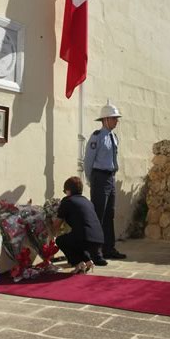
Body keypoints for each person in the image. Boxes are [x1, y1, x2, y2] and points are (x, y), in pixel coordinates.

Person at [84, 102, 127, 261]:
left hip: (110, 177)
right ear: (106, 119)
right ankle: (96, 252)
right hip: (99, 177)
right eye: (114, 118)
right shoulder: (97, 136)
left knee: (110, 214)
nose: (116, 121)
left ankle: (109, 248)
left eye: (116, 118)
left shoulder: (114, 137)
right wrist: (91, 179)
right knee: (98, 215)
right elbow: (88, 160)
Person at [53, 176, 105, 273]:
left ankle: (78, 263)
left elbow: (57, 224)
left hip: (85, 237)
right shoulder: (87, 201)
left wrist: (51, 232)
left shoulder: (67, 201)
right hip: (99, 238)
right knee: (76, 240)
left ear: (68, 190)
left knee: (61, 240)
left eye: (65, 191)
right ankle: (88, 261)